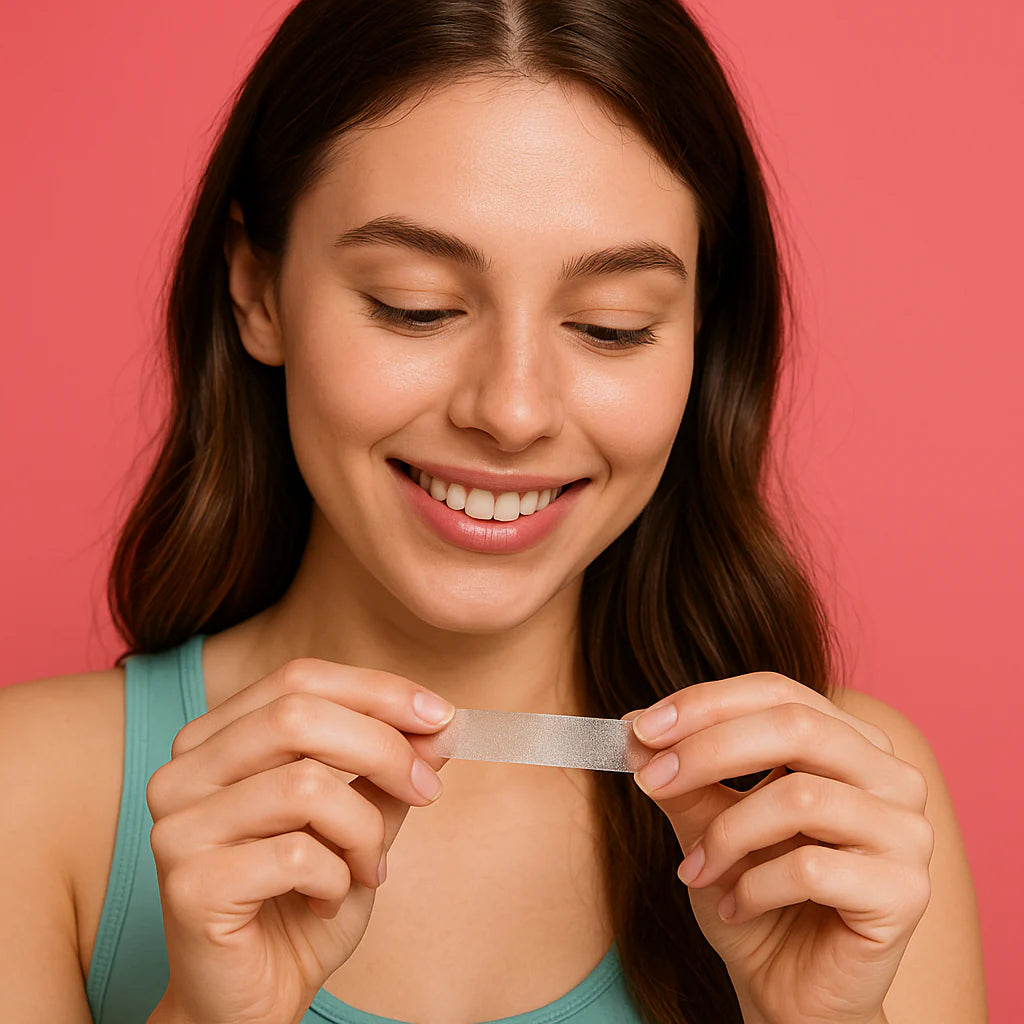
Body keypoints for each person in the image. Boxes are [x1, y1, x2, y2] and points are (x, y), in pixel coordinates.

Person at [0, 0, 987, 1022]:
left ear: (701, 333)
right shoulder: (27, 798)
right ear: (256, 290)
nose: (512, 412)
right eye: (415, 305)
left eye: (611, 326)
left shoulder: (839, 813)